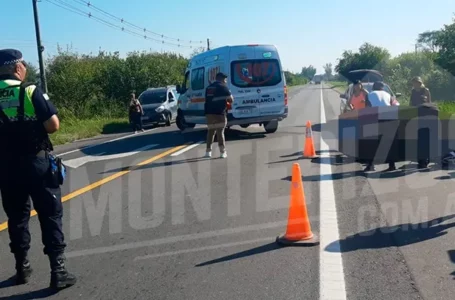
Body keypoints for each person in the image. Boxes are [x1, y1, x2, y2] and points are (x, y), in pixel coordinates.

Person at [0, 49, 76, 289]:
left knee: (17, 217)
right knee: (50, 214)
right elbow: (53, 125)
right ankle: (58, 271)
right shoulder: (30, 91)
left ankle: (21, 267)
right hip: (36, 163)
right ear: (18, 68)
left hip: (7, 167)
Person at [363, 81, 396, 172]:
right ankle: (392, 165)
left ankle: (370, 165)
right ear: (382, 88)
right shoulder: (388, 94)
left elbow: (367, 109)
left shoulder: (369, 95)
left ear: (373, 87)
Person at [204, 72, 233, 158]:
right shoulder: (224, 87)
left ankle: (208, 152)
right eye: (225, 79)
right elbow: (231, 100)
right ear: (222, 79)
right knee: (220, 133)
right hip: (220, 113)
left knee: (210, 132)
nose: (226, 81)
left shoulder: (209, 88)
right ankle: (222, 152)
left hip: (209, 113)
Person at [410, 76, 431, 168]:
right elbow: (411, 103)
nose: (415, 84)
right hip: (416, 115)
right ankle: (420, 159)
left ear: (420, 82)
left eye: (416, 82)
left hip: (425, 115)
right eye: (414, 82)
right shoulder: (413, 91)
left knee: (425, 138)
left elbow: (430, 102)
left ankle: (426, 159)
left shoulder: (425, 90)